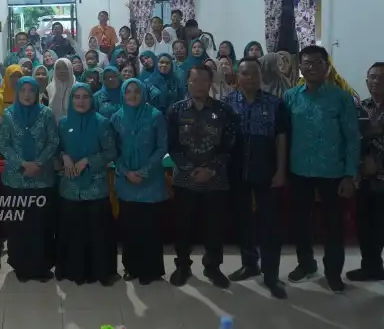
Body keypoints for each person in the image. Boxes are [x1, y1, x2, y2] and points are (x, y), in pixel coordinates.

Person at [284, 45, 360, 292]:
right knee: (300, 222)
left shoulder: (341, 98)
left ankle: (333, 272)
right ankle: (306, 264)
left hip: (333, 172)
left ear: (327, 67)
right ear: (300, 67)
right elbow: (283, 136)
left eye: (318, 63)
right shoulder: (290, 97)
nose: (312, 67)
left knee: (334, 225)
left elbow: (352, 138)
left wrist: (349, 175)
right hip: (299, 170)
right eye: (307, 63)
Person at [167, 65, 241, 289]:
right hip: (184, 179)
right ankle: (182, 265)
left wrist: (211, 170)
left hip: (216, 179)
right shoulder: (175, 111)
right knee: (183, 226)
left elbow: (229, 146)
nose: (198, 85)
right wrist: (190, 170)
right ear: (187, 83)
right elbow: (172, 146)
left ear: (210, 83)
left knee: (214, 226)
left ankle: (213, 267)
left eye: (203, 81)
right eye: (194, 81)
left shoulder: (224, 111)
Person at [224, 59, 289, 299]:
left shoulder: (275, 104)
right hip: (237, 170)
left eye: (254, 73)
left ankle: (271, 275)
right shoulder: (228, 103)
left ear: (261, 76)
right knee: (242, 219)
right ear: (237, 77)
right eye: (244, 73)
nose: (249, 77)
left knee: (269, 223)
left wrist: (281, 170)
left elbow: (281, 138)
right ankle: (249, 263)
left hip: (266, 169)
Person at [56, 83, 118, 286]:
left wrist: (87, 161)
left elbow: (111, 152)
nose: (81, 101)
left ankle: (100, 271)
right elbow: (56, 148)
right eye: (77, 97)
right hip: (70, 187)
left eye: (85, 97)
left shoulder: (101, 123)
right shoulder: (63, 123)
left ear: (92, 100)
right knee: (72, 231)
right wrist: (64, 156)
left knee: (97, 232)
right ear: (71, 99)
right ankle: (72, 270)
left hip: (95, 188)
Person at [0, 76, 59, 282]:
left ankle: (41, 266)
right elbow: (3, 144)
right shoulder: (8, 114)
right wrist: (23, 164)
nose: (27, 94)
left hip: (42, 179)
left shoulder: (46, 114)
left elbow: (53, 141)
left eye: (31, 90)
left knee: (41, 224)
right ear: (17, 92)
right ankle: (21, 266)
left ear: (37, 93)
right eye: (23, 90)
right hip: (16, 180)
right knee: (19, 225)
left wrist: (38, 163)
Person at [113, 79, 168, 285]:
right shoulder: (117, 117)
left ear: (143, 93)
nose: (132, 95)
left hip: (151, 181)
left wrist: (144, 172)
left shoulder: (155, 116)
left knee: (150, 227)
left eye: (137, 91)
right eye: (128, 91)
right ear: (123, 94)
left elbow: (162, 147)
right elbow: (113, 150)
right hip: (126, 181)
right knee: (130, 227)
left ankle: (152, 270)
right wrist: (126, 172)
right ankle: (131, 267)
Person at [349, 62, 384, 282]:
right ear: (366, 80)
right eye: (373, 77)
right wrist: (362, 163)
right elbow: (352, 140)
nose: (377, 81)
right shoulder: (360, 108)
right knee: (365, 225)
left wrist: (378, 164)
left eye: (382, 77)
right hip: (364, 178)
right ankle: (371, 267)